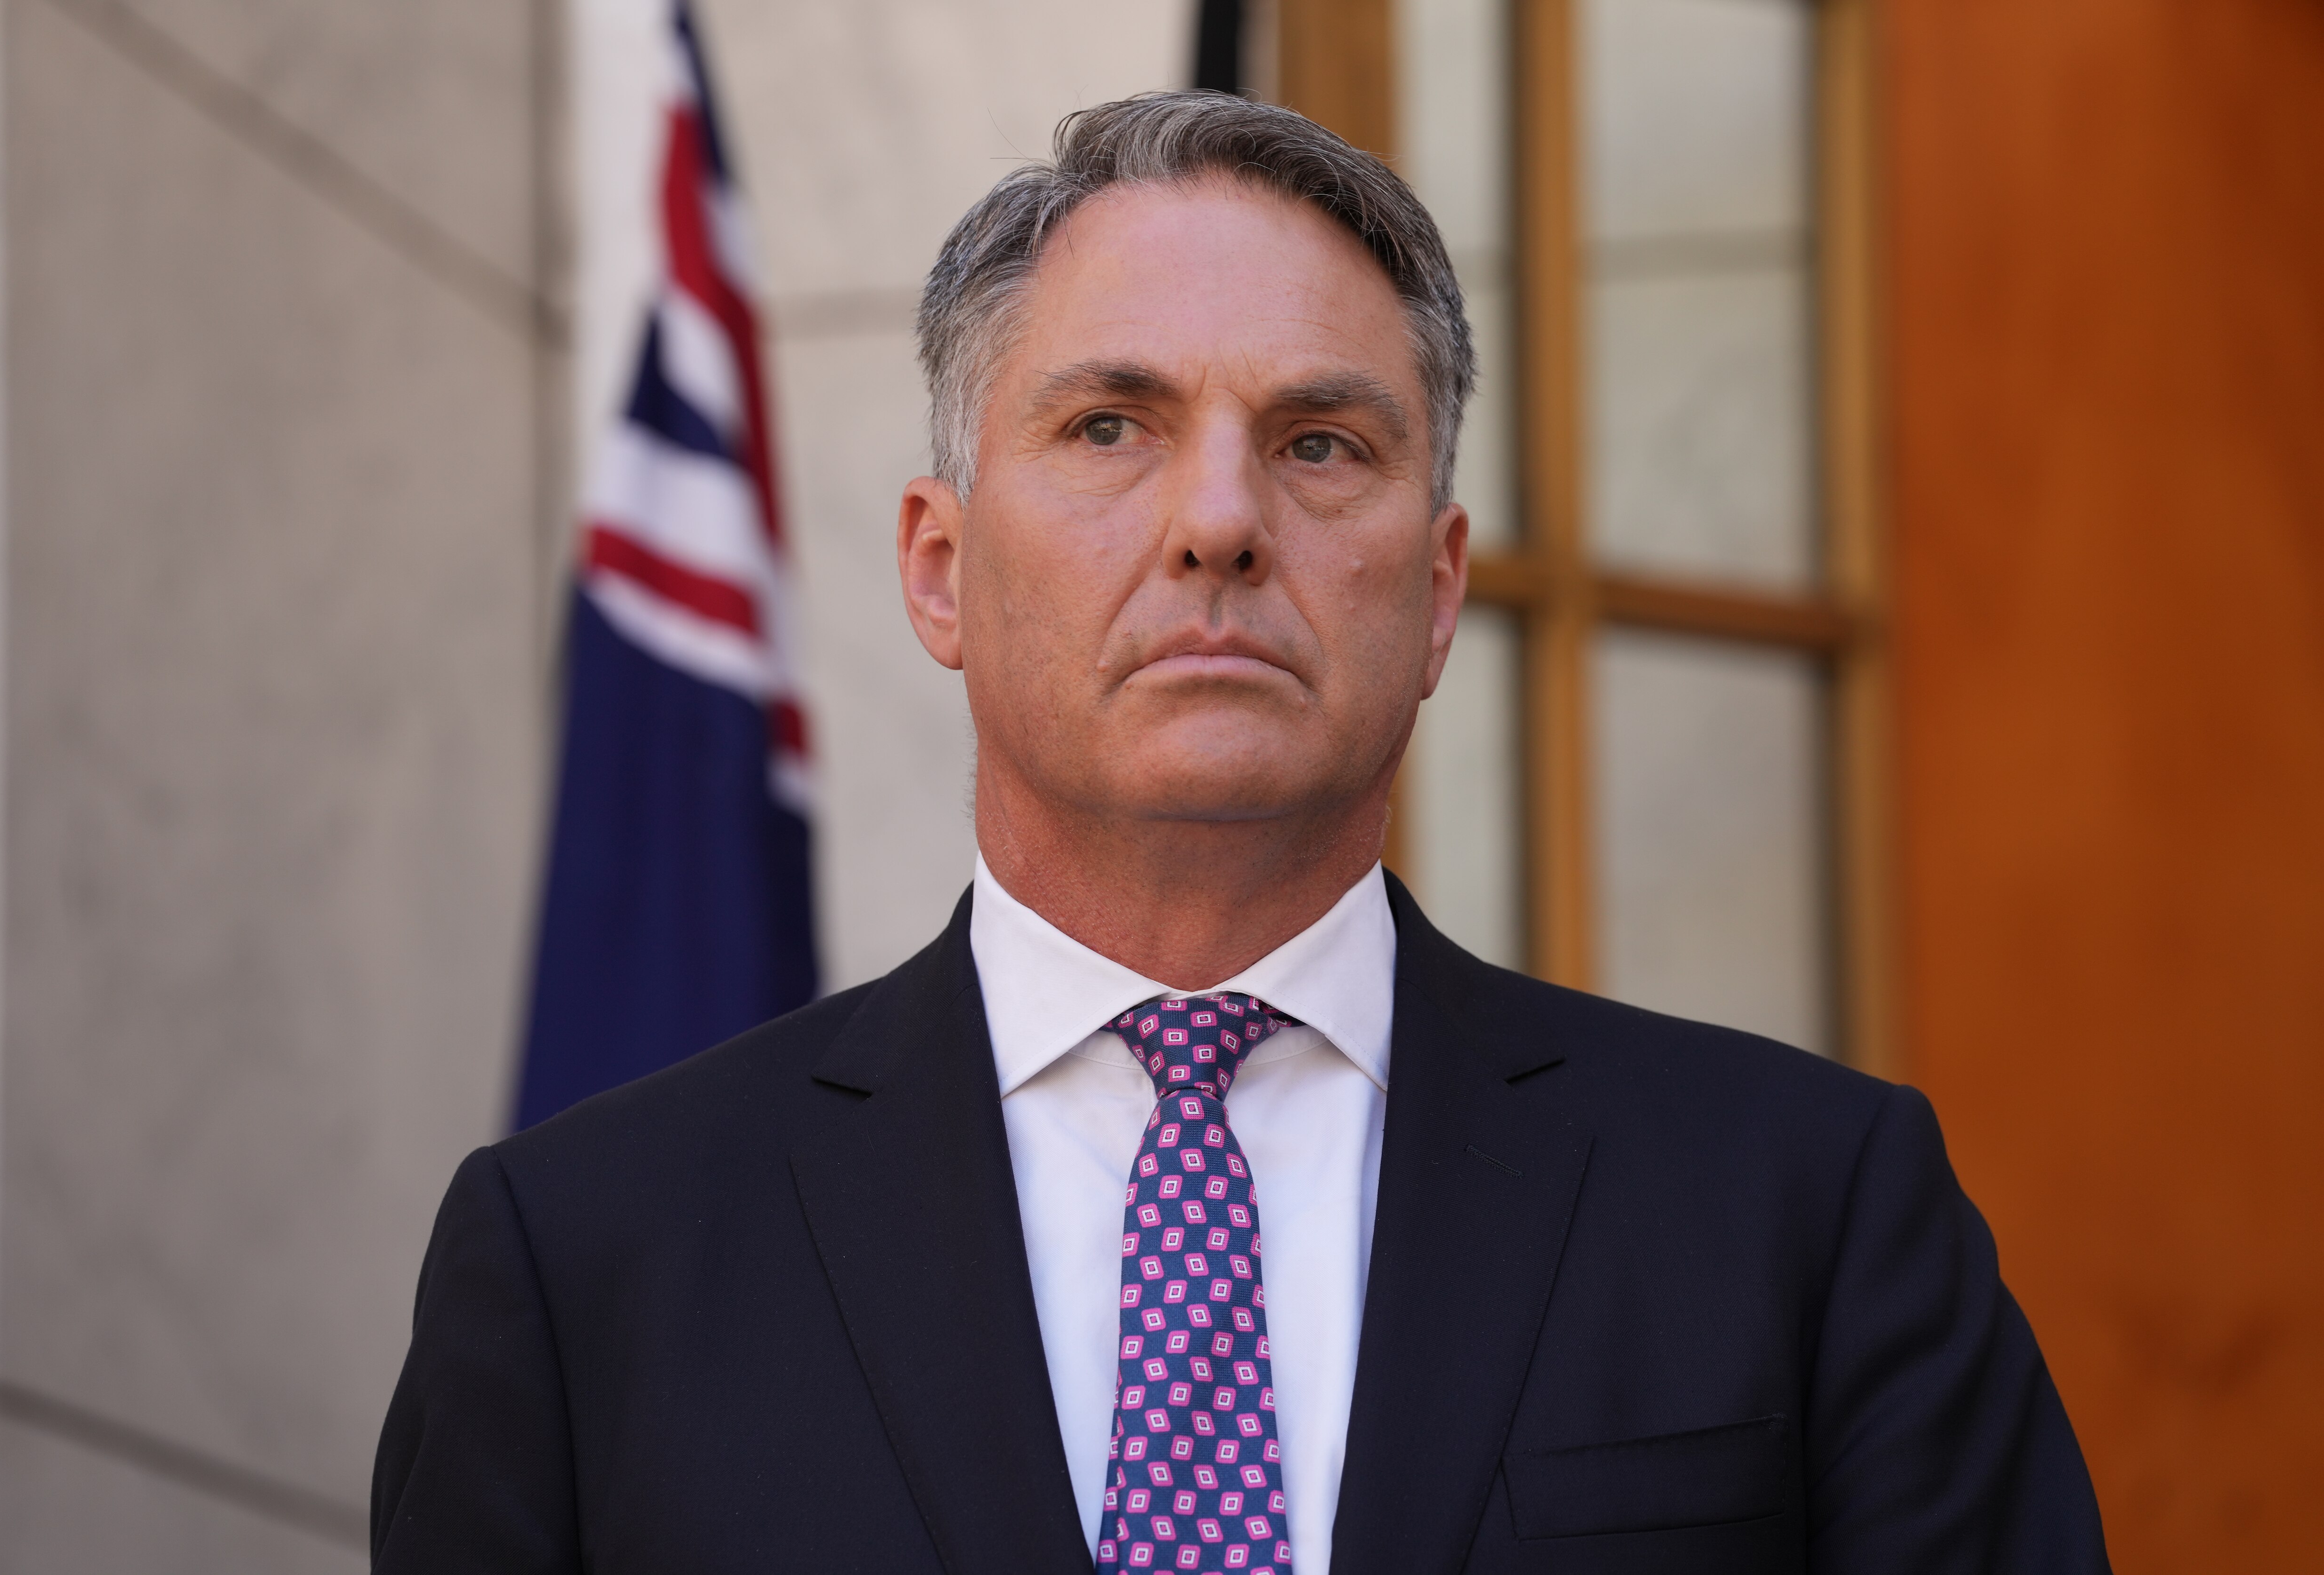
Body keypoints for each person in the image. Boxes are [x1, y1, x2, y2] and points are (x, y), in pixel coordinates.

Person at [372, 92, 2107, 1574]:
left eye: (1322, 442)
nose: (1219, 520)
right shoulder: (585, 1261)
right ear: (936, 567)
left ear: (1438, 597)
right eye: (1110, 425)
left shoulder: (1808, 1214)